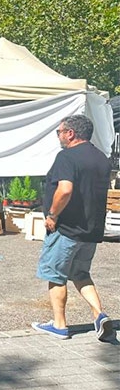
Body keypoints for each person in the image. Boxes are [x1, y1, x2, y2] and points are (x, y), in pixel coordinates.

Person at [32, 115, 114, 342]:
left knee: (56, 276)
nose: (58, 136)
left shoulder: (66, 157)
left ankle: (59, 325)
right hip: (91, 228)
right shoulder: (101, 158)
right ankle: (100, 314)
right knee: (80, 274)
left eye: (59, 132)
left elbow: (65, 189)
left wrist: (52, 215)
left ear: (71, 133)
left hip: (66, 228)